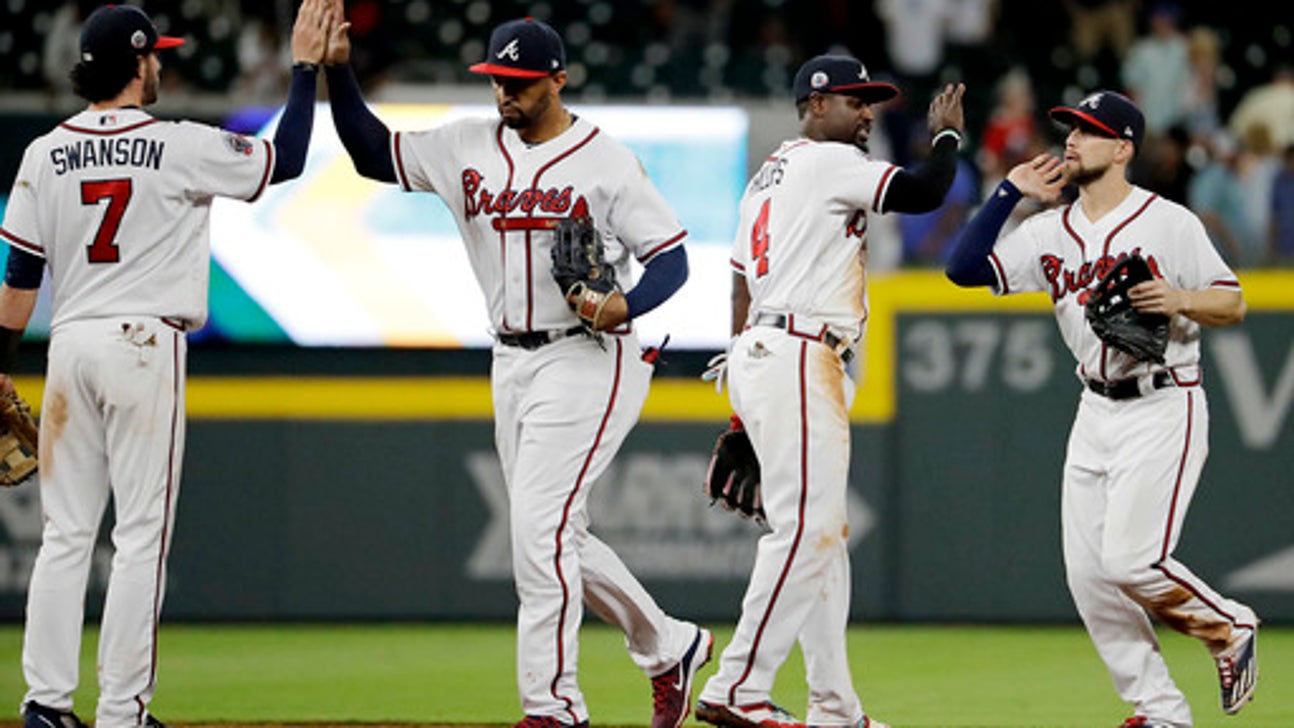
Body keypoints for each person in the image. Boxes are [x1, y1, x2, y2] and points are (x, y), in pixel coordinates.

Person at [316, 8, 711, 728]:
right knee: (552, 531)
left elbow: (673, 258)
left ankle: (553, 706)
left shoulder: (606, 160)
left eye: (523, 82)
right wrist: (337, 71)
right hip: (510, 357)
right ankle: (670, 645)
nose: (508, 92)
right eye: (499, 78)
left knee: (537, 532)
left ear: (558, 80)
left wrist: (624, 304)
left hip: (591, 354)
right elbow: (373, 153)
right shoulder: (465, 144)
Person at [0, 2, 329, 727]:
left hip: (70, 347)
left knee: (64, 535)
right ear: (137, 60)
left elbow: (20, 275)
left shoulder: (42, 152)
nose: (161, 67)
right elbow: (290, 159)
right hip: (143, 344)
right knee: (140, 534)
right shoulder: (177, 143)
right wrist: (304, 69)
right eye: (155, 57)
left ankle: (46, 704)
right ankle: (123, 711)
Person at [945, 90, 1259, 728]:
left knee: (1129, 561)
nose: (1072, 140)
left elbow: (1234, 304)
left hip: (1163, 399)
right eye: (1070, 129)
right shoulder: (1046, 230)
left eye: (1088, 132)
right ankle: (1161, 711)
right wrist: (1009, 193)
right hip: (1095, 410)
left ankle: (1228, 624)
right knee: (1090, 579)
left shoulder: (1168, 222)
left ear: (1123, 148)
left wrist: (1178, 299)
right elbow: (962, 268)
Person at [695, 55, 966, 728]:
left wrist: (740, 410)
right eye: (853, 100)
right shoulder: (825, 161)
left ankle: (835, 708)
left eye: (869, 101)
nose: (867, 111)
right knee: (808, 531)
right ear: (816, 106)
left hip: (765, 350)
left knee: (824, 538)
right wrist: (949, 137)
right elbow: (928, 189)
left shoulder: (764, 178)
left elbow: (737, 287)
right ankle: (739, 686)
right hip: (799, 353)